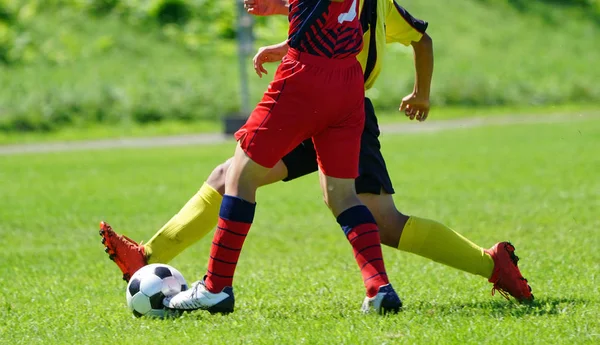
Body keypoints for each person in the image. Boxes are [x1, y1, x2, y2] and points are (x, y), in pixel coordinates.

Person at [100, 0, 533, 307]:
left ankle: (489, 263)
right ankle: (148, 255)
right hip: (338, 99)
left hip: (333, 104)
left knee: (382, 221)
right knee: (232, 174)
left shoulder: (381, 6)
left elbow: (411, 38)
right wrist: (284, 37)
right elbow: (330, 26)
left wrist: (422, 93)